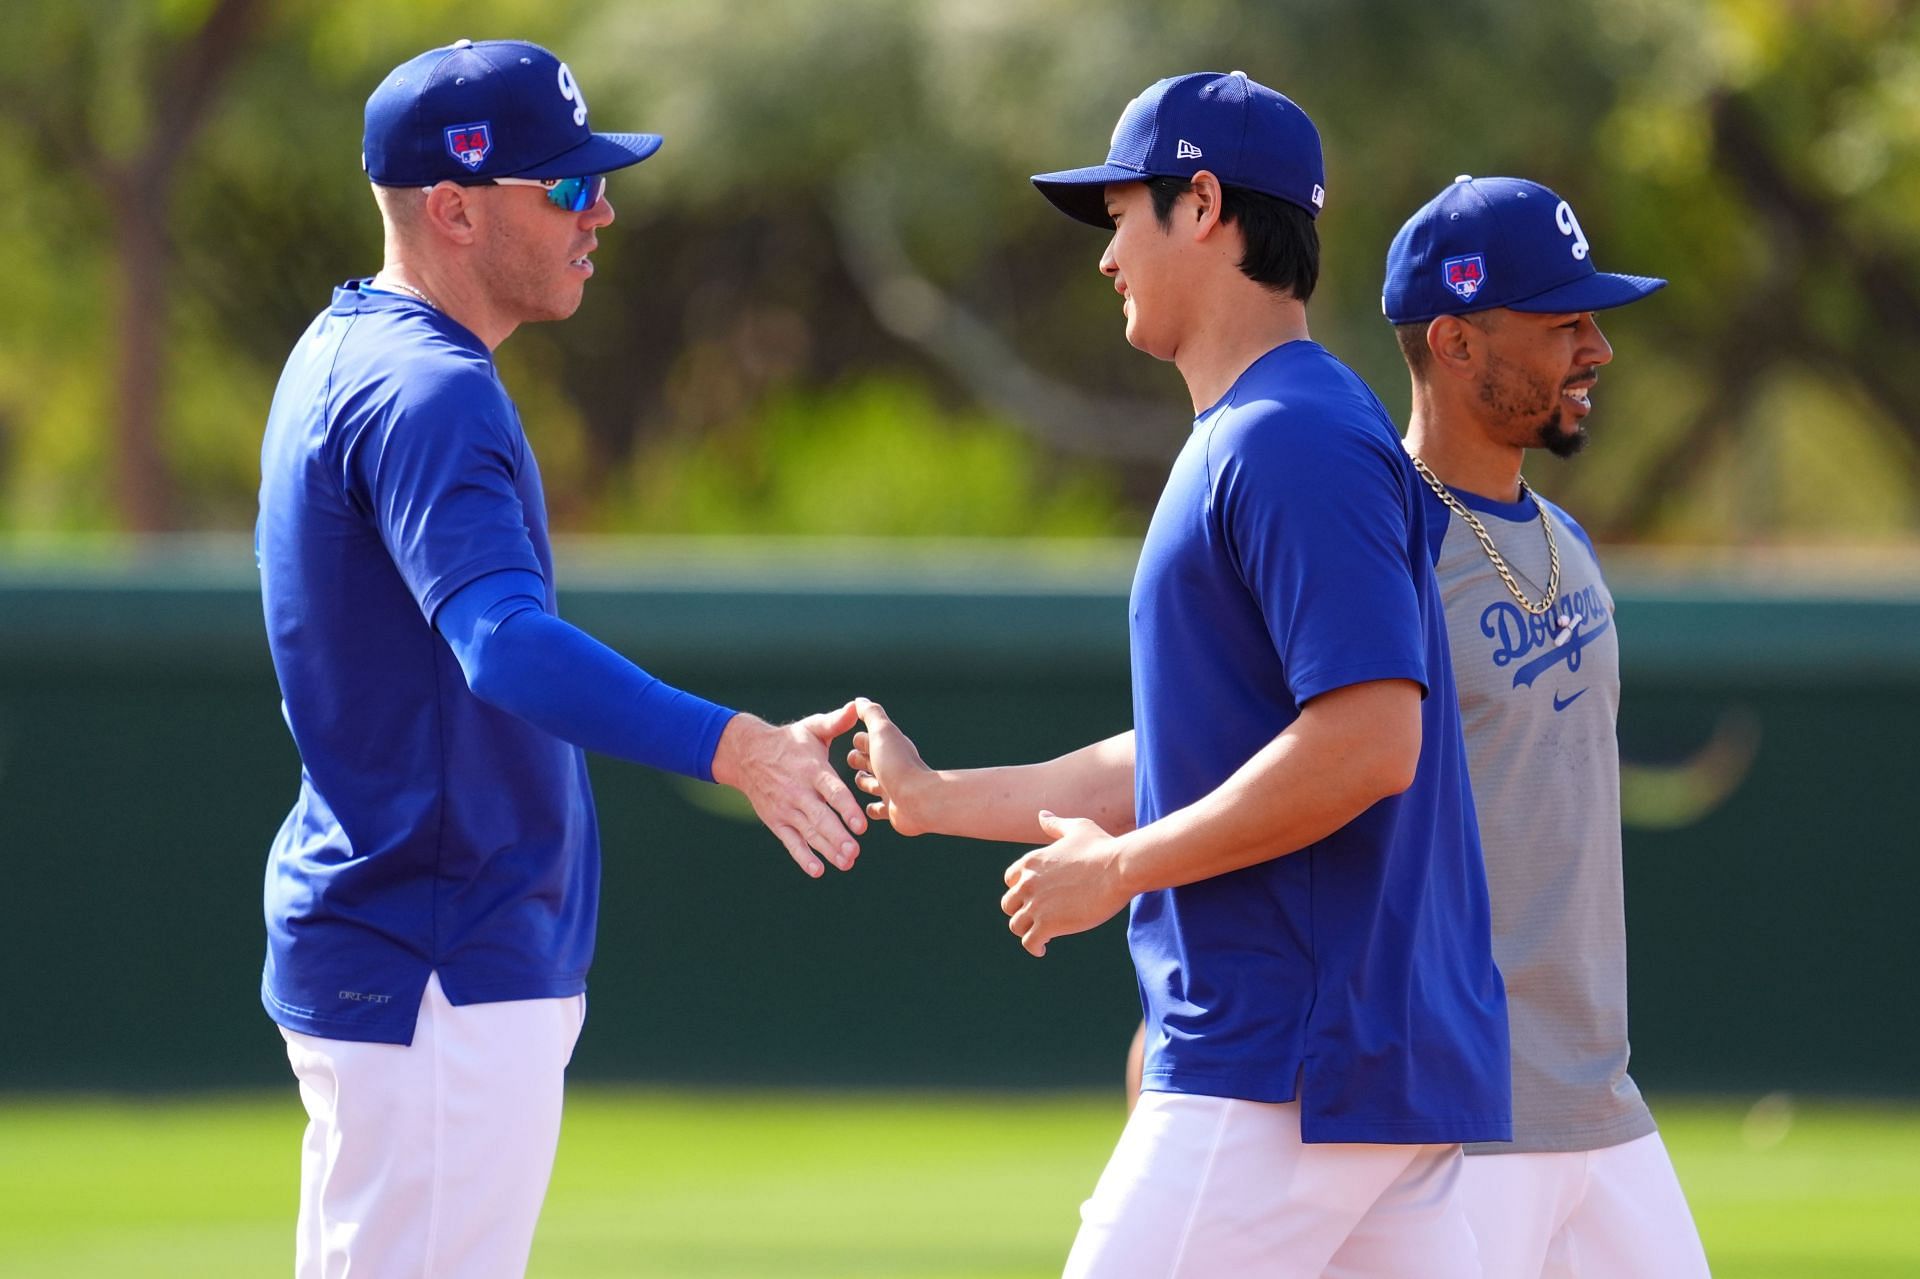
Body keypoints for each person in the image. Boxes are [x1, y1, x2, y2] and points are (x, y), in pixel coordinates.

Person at [848, 72, 1508, 1278]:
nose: (1108, 255)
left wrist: (1122, 871)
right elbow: (1195, 755)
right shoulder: (1270, 427)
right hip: (1353, 1062)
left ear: (1202, 204)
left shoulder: (1290, 434)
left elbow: (1370, 742)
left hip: (1282, 1062)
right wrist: (940, 799)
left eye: (1121, 216)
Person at [255, 40, 867, 1278]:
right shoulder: (429, 389)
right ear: (455, 209)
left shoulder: (345, 351)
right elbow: (505, 646)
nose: (603, 211)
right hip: (441, 953)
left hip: (400, 937)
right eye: (568, 188)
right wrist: (737, 746)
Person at [1380, 175, 1711, 1277]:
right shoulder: (1380, 549)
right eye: (1562, 320)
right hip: (1457, 1127)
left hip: (1600, 1107)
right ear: (1457, 342)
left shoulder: (1565, 535)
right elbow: (1257, 766)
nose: (1597, 347)